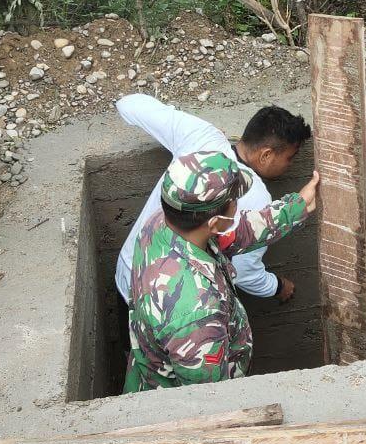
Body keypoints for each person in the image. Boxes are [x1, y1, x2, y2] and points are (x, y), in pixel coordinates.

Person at [124, 151, 319, 391]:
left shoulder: (161, 223)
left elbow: (236, 232)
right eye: (235, 202)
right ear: (213, 223)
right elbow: (209, 402)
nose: (238, 208)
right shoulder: (197, 316)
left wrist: (297, 206)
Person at [114, 94, 312, 305]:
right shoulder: (256, 195)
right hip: (170, 304)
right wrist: (277, 287)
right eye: (289, 158)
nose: (289, 165)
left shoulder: (201, 135)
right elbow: (245, 273)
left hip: (129, 272)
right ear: (266, 155)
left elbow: (129, 104)